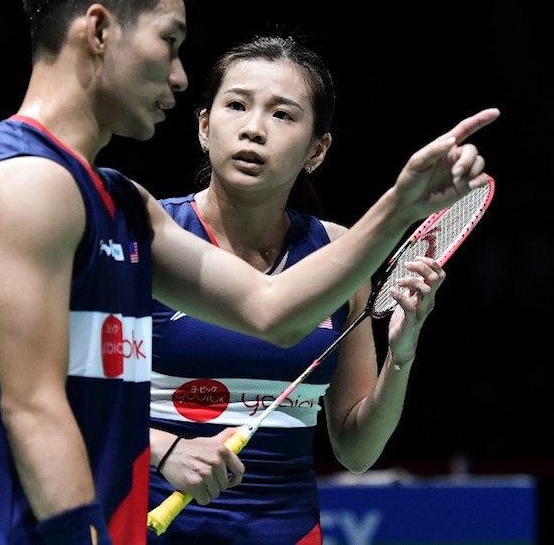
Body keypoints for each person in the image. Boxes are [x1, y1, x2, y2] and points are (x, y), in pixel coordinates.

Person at [0, 0, 498, 545]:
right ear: (100, 31)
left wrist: (401, 203)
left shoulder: (121, 206)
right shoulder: (23, 183)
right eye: (169, 42)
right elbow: (34, 406)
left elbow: (273, 311)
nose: (180, 76)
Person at [146, 34, 447, 544]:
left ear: (317, 150)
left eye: (282, 115)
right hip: (143, 526)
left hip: (285, 531)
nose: (253, 129)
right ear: (203, 126)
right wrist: (162, 447)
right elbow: (67, 398)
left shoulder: (338, 254)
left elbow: (356, 450)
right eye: (236, 105)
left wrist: (402, 355)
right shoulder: (149, 237)